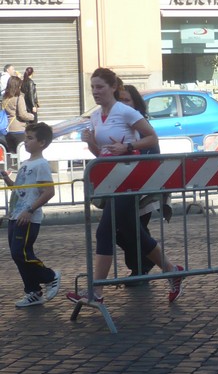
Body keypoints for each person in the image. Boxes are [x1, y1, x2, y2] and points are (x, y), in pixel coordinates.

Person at [66, 67, 184, 304]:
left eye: (100, 87)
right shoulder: (96, 116)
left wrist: (128, 147)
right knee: (132, 231)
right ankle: (173, 271)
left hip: (130, 179)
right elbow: (103, 152)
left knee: (104, 231)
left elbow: (152, 138)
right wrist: (91, 145)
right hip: (111, 180)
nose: (95, 92)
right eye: (92, 87)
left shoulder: (125, 111)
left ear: (113, 88)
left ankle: (96, 292)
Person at [1, 122, 61, 307]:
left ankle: (50, 276)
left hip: (27, 217)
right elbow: (20, 191)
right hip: (16, 215)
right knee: (17, 254)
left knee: (21, 253)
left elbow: (48, 192)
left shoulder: (41, 164)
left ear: (41, 142)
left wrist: (30, 210)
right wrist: (7, 179)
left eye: (30, 138)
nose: (25, 142)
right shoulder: (26, 163)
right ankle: (33, 291)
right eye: (26, 138)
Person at [117, 84, 160, 282]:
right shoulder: (118, 126)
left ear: (136, 104)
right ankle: (143, 265)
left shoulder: (142, 126)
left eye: (127, 100)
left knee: (134, 229)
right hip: (120, 188)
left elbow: (152, 153)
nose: (123, 104)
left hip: (142, 188)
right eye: (120, 100)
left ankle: (141, 268)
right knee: (122, 231)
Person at [3, 75, 34, 154]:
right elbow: (22, 114)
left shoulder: (5, 97)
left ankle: (12, 166)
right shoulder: (19, 97)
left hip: (7, 129)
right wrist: (32, 116)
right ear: (18, 85)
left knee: (12, 155)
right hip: (18, 129)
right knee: (21, 154)